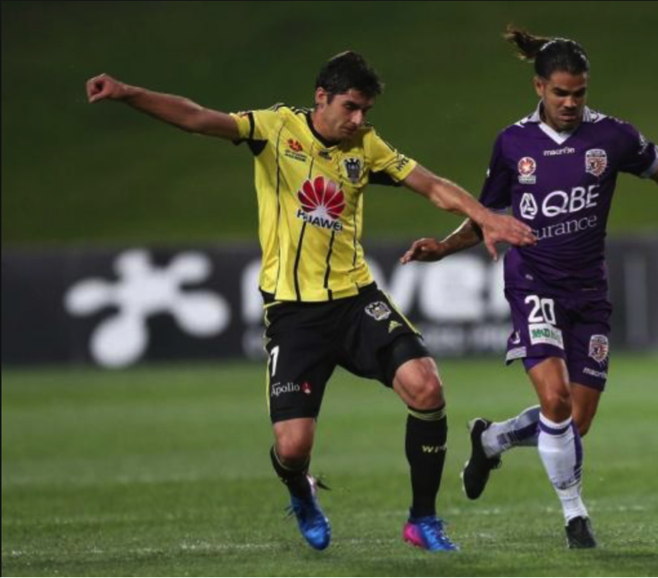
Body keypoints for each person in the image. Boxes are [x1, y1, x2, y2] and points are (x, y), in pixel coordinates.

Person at [85, 51, 536, 553]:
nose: (360, 119)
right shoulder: (273, 129)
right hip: (293, 314)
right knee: (293, 447)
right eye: (351, 107)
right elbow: (196, 117)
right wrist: (127, 93)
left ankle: (423, 520)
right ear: (321, 98)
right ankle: (301, 489)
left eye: (366, 110)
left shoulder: (366, 146)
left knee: (426, 387)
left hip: (354, 299)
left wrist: (483, 216)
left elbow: (430, 184)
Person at [401, 26, 658, 549]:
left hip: (589, 291)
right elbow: (487, 214)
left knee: (576, 421)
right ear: (538, 88)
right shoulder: (514, 143)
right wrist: (442, 248)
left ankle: (492, 438)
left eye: (579, 93)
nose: (571, 103)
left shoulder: (613, 137)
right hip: (532, 281)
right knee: (554, 400)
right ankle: (576, 517)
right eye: (560, 94)